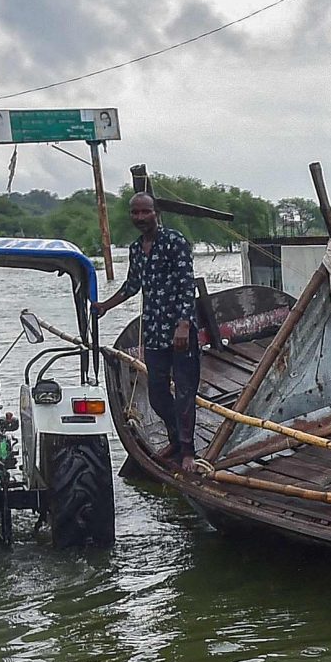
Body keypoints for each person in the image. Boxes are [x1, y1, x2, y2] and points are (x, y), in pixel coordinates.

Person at [95, 191, 201, 469]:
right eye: (135, 213)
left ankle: (188, 451)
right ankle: (176, 439)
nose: (140, 218)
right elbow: (132, 286)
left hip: (180, 330)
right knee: (156, 393)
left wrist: (183, 325)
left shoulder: (174, 242)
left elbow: (187, 286)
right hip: (154, 330)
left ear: (156, 213)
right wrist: (106, 305)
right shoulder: (135, 249)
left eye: (145, 212)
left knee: (185, 392)